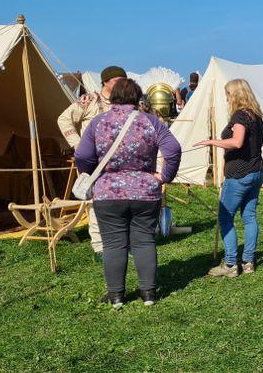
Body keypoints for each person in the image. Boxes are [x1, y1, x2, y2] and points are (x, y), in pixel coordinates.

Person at [74, 77, 182, 307]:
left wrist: (91, 174)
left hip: (108, 192)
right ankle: (149, 294)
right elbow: (173, 149)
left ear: (113, 97)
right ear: (137, 97)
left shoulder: (98, 123)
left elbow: (82, 156)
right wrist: (165, 176)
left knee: (113, 244)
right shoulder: (151, 122)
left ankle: (116, 296)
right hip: (145, 192)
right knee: (144, 242)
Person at [195, 79, 263, 278]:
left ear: (234, 94)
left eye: (228, 94)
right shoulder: (256, 116)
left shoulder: (240, 115)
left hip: (239, 174)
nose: (226, 98)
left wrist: (211, 141)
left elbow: (237, 142)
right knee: (249, 216)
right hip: (256, 172)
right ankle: (249, 261)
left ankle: (231, 264)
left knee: (226, 217)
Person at [58, 65, 126, 260]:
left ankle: (117, 243)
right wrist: (79, 145)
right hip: (93, 161)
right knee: (96, 203)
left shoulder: (124, 102)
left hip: (118, 161)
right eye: (117, 81)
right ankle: (99, 247)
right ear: (105, 81)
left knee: (119, 201)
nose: (122, 84)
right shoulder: (90, 100)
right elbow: (64, 120)